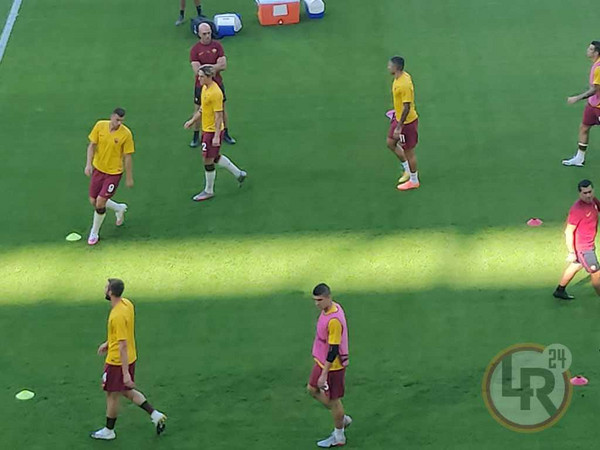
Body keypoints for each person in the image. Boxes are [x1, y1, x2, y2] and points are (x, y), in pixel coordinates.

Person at [91, 279, 167, 440]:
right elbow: (121, 333)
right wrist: (108, 343)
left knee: (112, 395)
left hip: (117, 362)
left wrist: (125, 373)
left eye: (106, 287)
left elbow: (122, 345)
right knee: (125, 391)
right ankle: (155, 415)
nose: (104, 289)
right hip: (130, 357)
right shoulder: (127, 304)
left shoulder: (117, 315)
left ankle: (109, 431)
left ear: (111, 292)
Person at [184, 66, 246, 201]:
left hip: (212, 131)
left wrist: (217, 136)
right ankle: (238, 174)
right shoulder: (205, 88)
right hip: (207, 129)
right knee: (214, 156)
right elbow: (202, 108)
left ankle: (209, 190)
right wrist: (192, 121)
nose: (199, 78)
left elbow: (219, 116)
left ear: (209, 77)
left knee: (207, 160)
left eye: (201, 76)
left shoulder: (216, 93)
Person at [307, 283, 352, 448]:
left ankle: (339, 436)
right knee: (312, 389)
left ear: (328, 297)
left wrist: (324, 374)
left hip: (333, 367)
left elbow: (333, 350)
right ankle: (341, 418)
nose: (316, 304)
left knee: (334, 401)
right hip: (321, 360)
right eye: (315, 300)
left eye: (319, 300)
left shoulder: (334, 321)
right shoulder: (330, 309)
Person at [84, 108, 134, 246]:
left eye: (121, 121)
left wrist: (129, 177)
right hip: (98, 169)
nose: (119, 123)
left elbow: (128, 156)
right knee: (93, 201)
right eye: (117, 120)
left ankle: (94, 233)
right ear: (111, 117)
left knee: (100, 202)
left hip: (114, 172)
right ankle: (119, 208)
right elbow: (92, 146)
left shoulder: (126, 134)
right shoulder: (100, 126)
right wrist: (88, 164)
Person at [189, 23, 236, 147]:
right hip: (200, 86)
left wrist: (206, 68)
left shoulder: (217, 46)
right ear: (199, 34)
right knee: (198, 109)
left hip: (217, 84)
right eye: (204, 34)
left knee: (222, 109)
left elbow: (223, 65)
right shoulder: (195, 49)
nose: (207, 36)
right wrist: (214, 68)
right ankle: (195, 136)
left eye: (209, 33)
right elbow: (197, 70)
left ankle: (225, 133)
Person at [554, 180, 600, 300]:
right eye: (585, 193)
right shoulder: (577, 210)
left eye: (590, 192)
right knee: (596, 273)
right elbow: (568, 231)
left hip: (589, 244)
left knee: (576, 265)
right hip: (584, 248)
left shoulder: (594, 201)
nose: (588, 195)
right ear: (580, 193)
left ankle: (560, 290)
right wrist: (572, 252)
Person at [562, 41, 600, 167]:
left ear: (596, 52)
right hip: (593, 105)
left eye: (590, 49)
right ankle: (579, 158)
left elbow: (595, 89)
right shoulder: (596, 65)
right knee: (584, 127)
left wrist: (577, 98)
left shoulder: (599, 68)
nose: (587, 50)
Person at [387, 56, 420, 191]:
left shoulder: (404, 84)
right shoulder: (400, 78)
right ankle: (407, 169)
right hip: (399, 118)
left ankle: (414, 180)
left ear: (396, 67)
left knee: (409, 152)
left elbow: (407, 106)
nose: (388, 67)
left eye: (390, 65)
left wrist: (399, 127)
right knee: (390, 142)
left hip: (406, 123)